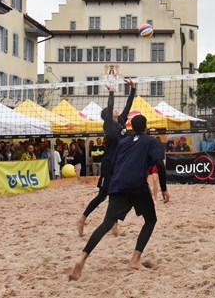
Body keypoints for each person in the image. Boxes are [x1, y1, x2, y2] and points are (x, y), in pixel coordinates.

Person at [69, 114, 170, 281]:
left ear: (131, 127)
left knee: (107, 223)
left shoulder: (124, 142)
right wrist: (164, 189)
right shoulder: (152, 141)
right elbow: (159, 164)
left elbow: (114, 163)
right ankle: (135, 260)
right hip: (137, 185)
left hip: (118, 183)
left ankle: (82, 258)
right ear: (146, 127)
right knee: (150, 220)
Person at [76, 78, 136, 237]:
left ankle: (114, 225)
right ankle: (82, 219)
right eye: (112, 111)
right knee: (102, 196)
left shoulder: (121, 121)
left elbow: (128, 106)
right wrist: (111, 92)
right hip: (109, 164)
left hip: (120, 164)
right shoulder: (108, 125)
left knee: (117, 194)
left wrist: (133, 89)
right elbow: (110, 108)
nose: (116, 111)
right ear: (108, 116)